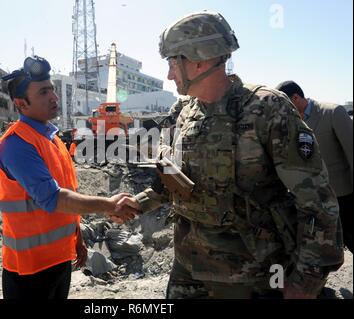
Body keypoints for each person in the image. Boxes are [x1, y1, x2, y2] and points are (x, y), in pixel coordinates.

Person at [116, 10, 344, 299]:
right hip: (188, 269)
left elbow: (318, 202)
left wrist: (305, 282)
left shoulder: (268, 109)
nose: (169, 74)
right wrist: (138, 203)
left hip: (256, 276)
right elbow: (176, 182)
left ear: (198, 60)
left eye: (173, 62)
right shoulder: (183, 113)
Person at [0, 56, 138, 299]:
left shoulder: (52, 139)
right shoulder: (17, 144)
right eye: (43, 92)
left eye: (51, 89)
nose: (53, 97)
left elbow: (67, 193)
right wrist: (110, 205)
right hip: (28, 270)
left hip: (59, 260)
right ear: (21, 104)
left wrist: (77, 237)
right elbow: (53, 198)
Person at [276, 81, 353, 253]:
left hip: (343, 196)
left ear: (296, 97)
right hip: (312, 199)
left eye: (285, 103)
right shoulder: (289, 122)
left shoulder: (332, 113)